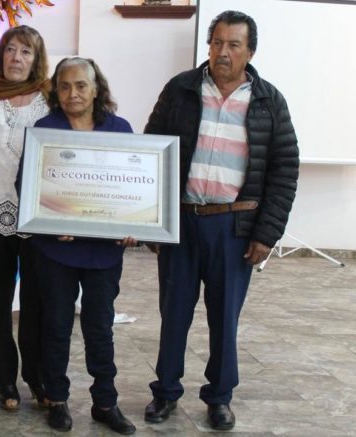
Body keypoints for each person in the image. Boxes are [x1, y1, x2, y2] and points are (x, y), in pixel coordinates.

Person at [143, 10, 299, 431]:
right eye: (217, 43)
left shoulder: (268, 101)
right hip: (181, 221)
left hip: (234, 227)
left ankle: (219, 397)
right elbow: (151, 152)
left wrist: (266, 234)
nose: (223, 52)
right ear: (208, 46)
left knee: (224, 318)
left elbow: (284, 170)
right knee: (173, 313)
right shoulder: (181, 89)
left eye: (233, 45)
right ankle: (165, 392)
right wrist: (151, 221)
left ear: (250, 52)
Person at [32, 57, 137, 434]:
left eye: (80, 85)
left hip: (104, 253)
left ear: (96, 89)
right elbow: (27, 185)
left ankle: (105, 403)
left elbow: (133, 185)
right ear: (56, 91)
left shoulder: (120, 130)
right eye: (64, 86)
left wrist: (133, 225)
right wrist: (48, 222)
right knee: (56, 326)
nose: (72, 93)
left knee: (100, 328)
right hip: (56, 251)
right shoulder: (45, 130)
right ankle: (57, 399)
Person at [0, 25, 51, 411]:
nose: (17, 58)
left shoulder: (50, 101)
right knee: (0, 300)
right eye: (11, 50)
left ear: (37, 60)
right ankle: (5, 379)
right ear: (0, 55)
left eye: (26, 52)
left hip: (37, 217)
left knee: (35, 301)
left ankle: (36, 375)